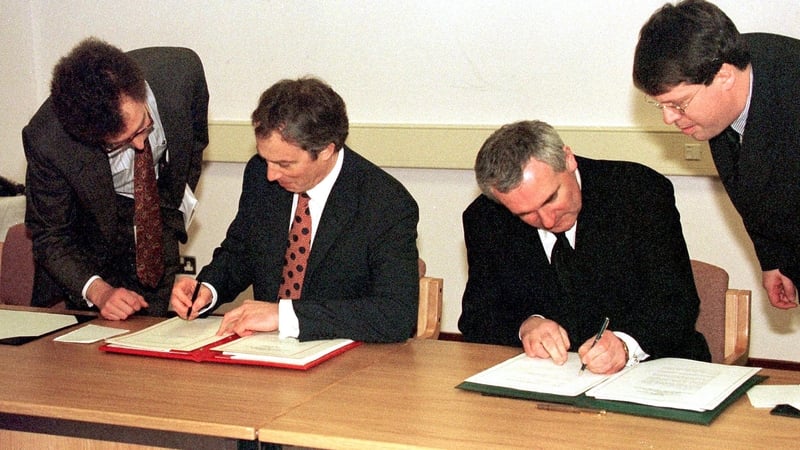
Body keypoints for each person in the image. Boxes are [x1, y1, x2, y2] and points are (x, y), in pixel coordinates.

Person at [170, 77, 419, 343]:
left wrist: (284, 316)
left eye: (285, 164)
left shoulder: (385, 202)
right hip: (263, 351)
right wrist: (208, 289)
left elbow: (396, 315)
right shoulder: (259, 174)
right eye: (265, 159)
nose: (270, 174)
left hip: (348, 362)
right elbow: (242, 251)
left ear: (326, 150)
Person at [459, 120, 710, 374]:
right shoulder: (485, 218)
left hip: (655, 370)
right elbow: (477, 317)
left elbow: (677, 303)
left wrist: (625, 345)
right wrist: (527, 325)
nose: (547, 220)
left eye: (551, 199)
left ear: (568, 160)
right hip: (551, 380)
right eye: (525, 214)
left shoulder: (639, 192)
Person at [23, 38, 209, 319]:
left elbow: (194, 146)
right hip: (89, 243)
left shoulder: (181, 74)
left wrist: (166, 215)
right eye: (120, 143)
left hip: (155, 217)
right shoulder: (48, 139)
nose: (139, 145)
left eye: (143, 126)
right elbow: (50, 235)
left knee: (154, 337)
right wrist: (99, 291)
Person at [633, 0, 800, 310]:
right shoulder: (722, 77)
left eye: (678, 104)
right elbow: (753, 186)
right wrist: (774, 259)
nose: (669, 119)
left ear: (724, 77)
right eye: (661, 106)